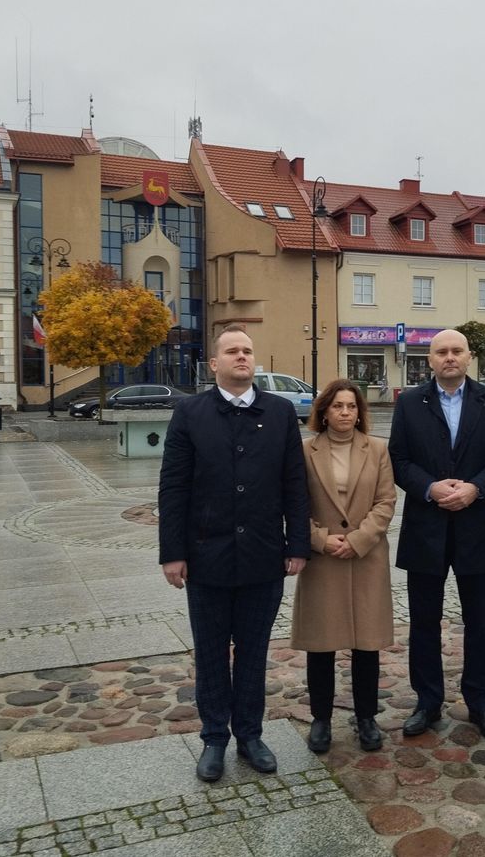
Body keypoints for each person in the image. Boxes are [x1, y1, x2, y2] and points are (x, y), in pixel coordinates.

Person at [158, 324, 309, 782]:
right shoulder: (190, 413)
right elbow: (174, 486)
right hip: (207, 556)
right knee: (209, 652)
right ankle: (213, 739)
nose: (242, 357)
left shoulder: (280, 412)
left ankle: (249, 734)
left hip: (264, 556)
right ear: (215, 364)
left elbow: (294, 485)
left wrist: (297, 544)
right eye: (232, 351)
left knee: (253, 651)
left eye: (247, 351)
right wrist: (172, 553)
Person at [389, 329, 485, 739]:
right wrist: (430, 488)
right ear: (429, 359)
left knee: (479, 620)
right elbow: (399, 458)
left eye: (456, 351)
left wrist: (476, 488)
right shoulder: (410, 403)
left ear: (468, 358)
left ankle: (480, 702)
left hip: (476, 525)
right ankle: (427, 702)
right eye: (441, 351)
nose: (449, 357)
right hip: (425, 527)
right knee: (424, 621)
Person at [291, 380, 396, 753]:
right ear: (324, 411)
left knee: (366, 644)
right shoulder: (304, 452)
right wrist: (320, 539)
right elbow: (293, 504)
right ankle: (320, 720)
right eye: (338, 406)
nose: (345, 413)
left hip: (365, 558)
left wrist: (358, 540)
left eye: (352, 406)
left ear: (360, 412)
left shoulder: (378, 449)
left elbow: (386, 501)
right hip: (324, 560)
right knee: (321, 644)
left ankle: (366, 717)